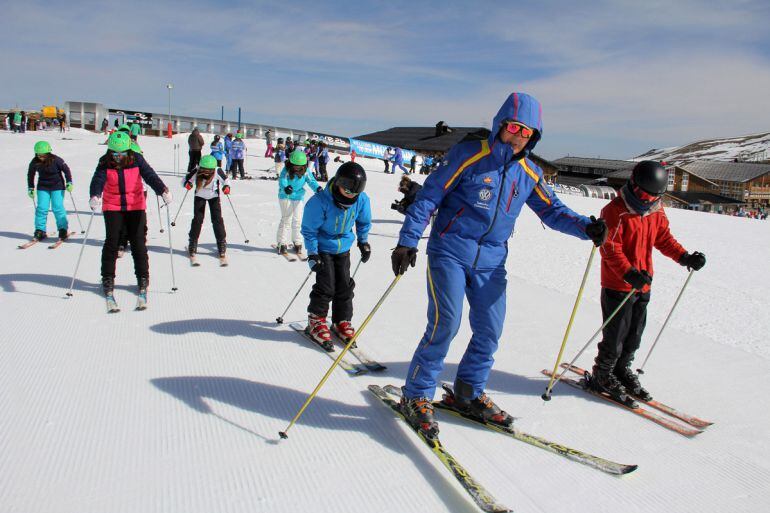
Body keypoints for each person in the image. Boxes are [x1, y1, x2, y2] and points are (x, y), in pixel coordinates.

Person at [390, 92, 608, 437]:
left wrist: (586, 227)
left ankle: (468, 392)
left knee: (490, 330)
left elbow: (552, 211)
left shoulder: (529, 172)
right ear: (501, 125)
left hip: (492, 260)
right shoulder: (469, 155)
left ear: (534, 137)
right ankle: (416, 394)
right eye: (514, 127)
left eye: (526, 132)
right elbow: (430, 194)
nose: (518, 135)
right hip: (450, 249)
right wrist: (407, 240)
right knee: (446, 324)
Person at [587, 160, 706, 404]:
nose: (648, 200)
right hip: (618, 284)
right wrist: (628, 272)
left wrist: (685, 257)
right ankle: (603, 373)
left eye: (654, 196)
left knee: (634, 334)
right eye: (643, 194)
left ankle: (621, 370)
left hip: (643, 284)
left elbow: (663, 239)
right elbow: (610, 248)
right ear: (633, 185)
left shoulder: (656, 211)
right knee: (615, 334)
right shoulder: (615, 210)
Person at [89, 131, 171, 301]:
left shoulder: (136, 159)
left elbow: (149, 175)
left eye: (123, 154)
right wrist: (95, 195)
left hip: (135, 205)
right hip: (113, 205)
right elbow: (98, 179)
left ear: (129, 151)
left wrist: (162, 190)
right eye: (115, 154)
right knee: (112, 242)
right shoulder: (105, 162)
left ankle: (142, 277)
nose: (118, 157)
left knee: (138, 243)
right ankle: (108, 278)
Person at [301, 162, 371, 349]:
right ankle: (316, 320)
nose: (350, 196)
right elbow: (309, 230)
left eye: (354, 194)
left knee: (344, 286)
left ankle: (341, 320)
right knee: (326, 287)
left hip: (344, 247)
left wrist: (363, 241)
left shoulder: (361, 200)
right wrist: (313, 253)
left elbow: (364, 222)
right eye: (347, 192)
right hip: (323, 248)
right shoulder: (319, 202)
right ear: (338, 183)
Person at [183, 155, 230, 264]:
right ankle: (193, 243)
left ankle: (221, 243)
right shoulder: (196, 170)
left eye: (209, 171)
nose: (206, 173)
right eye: (204, 170)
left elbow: (226, 180)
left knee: (217, 219)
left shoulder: (218, 170)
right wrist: (187, 183)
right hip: (199, 196)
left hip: (214, 197)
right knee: (198, 220)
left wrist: (226, 187)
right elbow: (185, 180)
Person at [276, 150, 322, 257]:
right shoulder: (286, 169)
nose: (296, 168)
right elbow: (282, 179)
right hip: (285, 196)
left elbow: (311, 181)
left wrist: (318, 188)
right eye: (295, 165)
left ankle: (297, 242)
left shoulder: (306, 171)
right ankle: (281, 243)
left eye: (299, 166)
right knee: (286, 219)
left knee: (298, 220)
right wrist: (286, 187)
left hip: (298, 197)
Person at [27, 141, 73, 241]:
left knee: (57, 207)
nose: (41, 157)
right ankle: (40, 230)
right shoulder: (35, 162)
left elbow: (66, 170)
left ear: (48, 153)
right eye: (39, 155)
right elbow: (30, 174)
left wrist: (69, 182)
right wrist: (31, 187)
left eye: (43, 155)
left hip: (58, 186)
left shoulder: (57, 160)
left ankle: (62, 229)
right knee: (41, 208)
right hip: (43, 187)